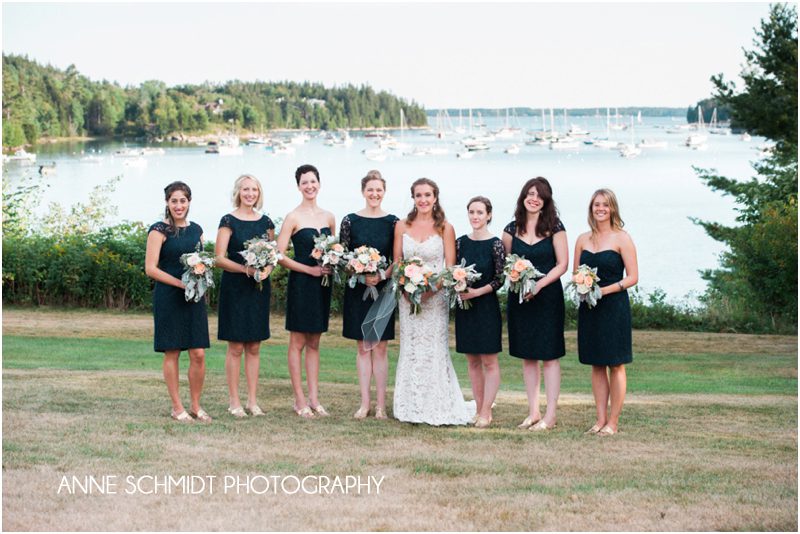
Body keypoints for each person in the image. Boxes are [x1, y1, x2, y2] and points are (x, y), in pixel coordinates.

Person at [392, 177, 475, 426]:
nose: (423, 199)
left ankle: (436, 403)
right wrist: (407, 287)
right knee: (412, 347)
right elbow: (397, 262)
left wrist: (429, 289)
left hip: (435, 298)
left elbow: (449, 267)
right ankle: (411, 403)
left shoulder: (445, 228)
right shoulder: (401, 225)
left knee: (433, 349)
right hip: (407, 299)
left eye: (428, 195)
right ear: (413, 198)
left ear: (435, 197)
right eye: (419, 195)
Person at [502, 177, 568, 432]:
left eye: (539, 195)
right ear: (523, 197)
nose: (534, 198)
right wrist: (518, 282)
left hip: (548, 297)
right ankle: (533, 412)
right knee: (528, 357)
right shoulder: (511, 229)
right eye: (530, 193)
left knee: (549, 356)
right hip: (520, 298)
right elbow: (506, 265)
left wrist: (539, 285)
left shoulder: (555, 227)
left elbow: (562, 264)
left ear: (546, 200)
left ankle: (550, 415)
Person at [144, 181, 211, 423]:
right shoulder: (159, 230)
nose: (179, 205)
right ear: (167, 203)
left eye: (183, 200)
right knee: (172, 351)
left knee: (198, 353)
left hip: (194, 298)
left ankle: (195, 405)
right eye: (174, 201)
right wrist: (179, 283)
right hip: (169, 297)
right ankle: (177, 407)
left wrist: (201, 279)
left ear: (189, 202)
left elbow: (203, 262)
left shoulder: (197, 230)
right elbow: (150, 269)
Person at [573, 188, 638, 436]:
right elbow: (576, 274)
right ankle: (599, 419)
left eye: (605, 205)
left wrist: (605, 290)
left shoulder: (622, 238)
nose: (600, 209)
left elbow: (633, 277)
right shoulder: (582, 239)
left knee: (616, 364)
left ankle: (613, 421)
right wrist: (584, 287)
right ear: (591, 208)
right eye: (596, 205)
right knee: (596, 364)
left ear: (612, 209)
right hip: (590, 308)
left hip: (614, 307)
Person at [276, 164, 335, 418]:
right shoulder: (293, 217)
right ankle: (299, 400)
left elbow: (335, 250)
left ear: (319, 184)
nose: (309, 186)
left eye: (313, 181)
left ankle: (314, 399)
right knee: (298, 341)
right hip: (302, 283)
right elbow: (278, 255)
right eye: (304, 182)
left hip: (322, 285)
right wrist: (308, 270)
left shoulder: (329, 217)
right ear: (298, 186)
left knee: (314, 342)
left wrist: (332, 264)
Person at [214, 174, 275, 418]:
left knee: (254, 346)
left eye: (254, 190)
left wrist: (266, 271)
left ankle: (252, 401)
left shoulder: (267, 222)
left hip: (258, 289)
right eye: (245, 189)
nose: (250, 194)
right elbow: (219, 258)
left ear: (259, 193)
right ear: (238, 192)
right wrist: (245, 270)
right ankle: (234, 401)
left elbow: (273, 256)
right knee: (236, 346)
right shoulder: (228, 220)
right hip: (235, 288)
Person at [339, 170, 398, 420]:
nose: (374, 194)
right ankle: (364, 404)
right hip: (357, 290)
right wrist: (361, 275)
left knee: (381, 348)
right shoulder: (349, 220)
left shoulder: (394, 222)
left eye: (379, 190)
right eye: (370, 189)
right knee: (363, 348)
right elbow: (341, 258)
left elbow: (398, 259)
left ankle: (382, 406)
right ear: (363, 191)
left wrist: (382, 276)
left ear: (384, 192)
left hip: (384, 291)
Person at [455, 196, 505, 428]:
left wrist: (477, 292)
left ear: (489, 215)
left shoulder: (495, 244)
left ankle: (486, 411)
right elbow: (454, 271)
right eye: (471, 212)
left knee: (489, 360)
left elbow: (500, 279)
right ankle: (478, 408)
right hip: (465, 307)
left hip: (486, 307)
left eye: (480, 212)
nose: (475, 217)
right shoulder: (460, 242)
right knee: (472, 360)